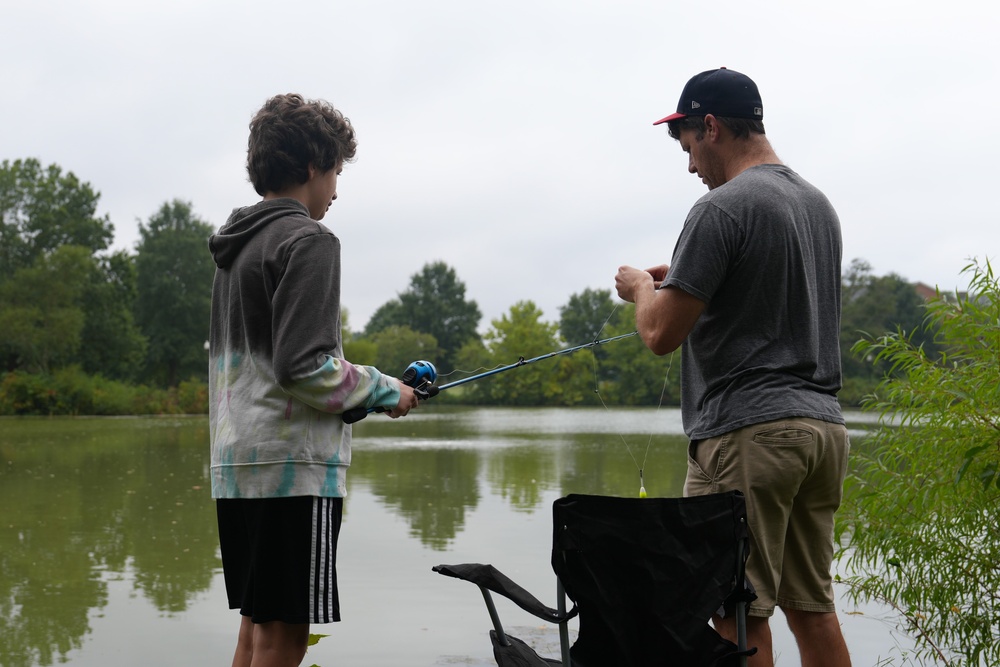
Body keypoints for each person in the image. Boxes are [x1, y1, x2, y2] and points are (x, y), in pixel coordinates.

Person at [614, 68, 851, 667]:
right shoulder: (817, 205)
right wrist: (688, 282)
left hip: (750, 437)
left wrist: (643, 286)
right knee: (811, 608)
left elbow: (659, 333)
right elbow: (762, 299)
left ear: (712, 127)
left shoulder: (720, 209)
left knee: (734, 612)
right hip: (822, 433)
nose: (691, 165)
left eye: (690, 145)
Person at [208, 93, 420, 667]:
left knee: (256, 627)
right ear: (310, 168)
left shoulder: (236, 249)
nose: (336, 190)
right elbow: (304, 366)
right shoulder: (309, 240)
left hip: (236, 466)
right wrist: (384, 390)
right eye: (335, 173)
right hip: (291, 469)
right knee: (286, 638)